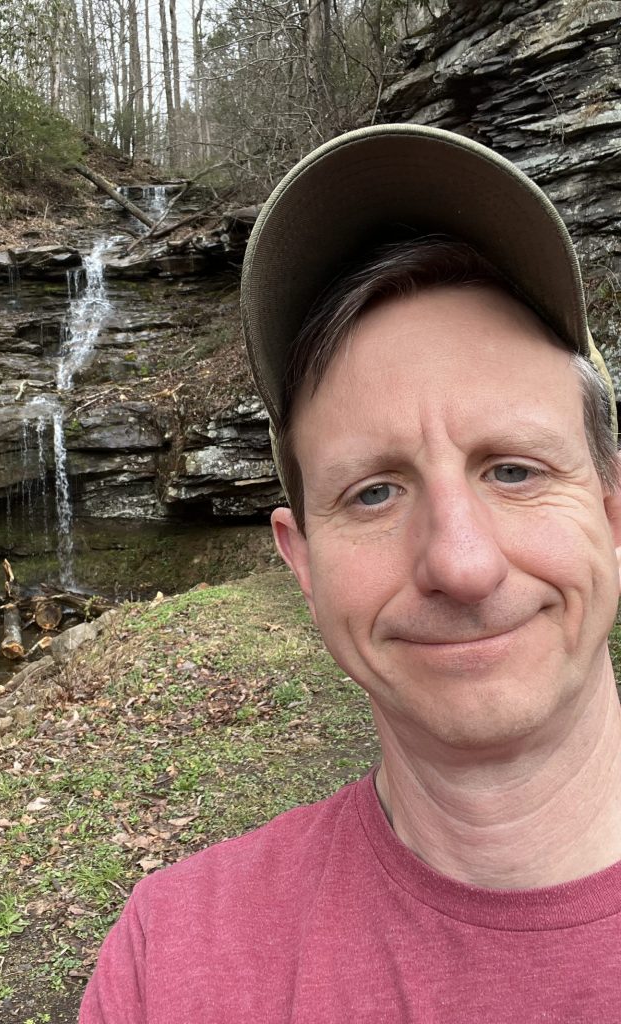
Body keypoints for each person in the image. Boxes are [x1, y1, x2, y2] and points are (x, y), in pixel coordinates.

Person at [80, 124, 621, 1022]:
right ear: (300, 559)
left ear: (611, 510)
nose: (461, 563)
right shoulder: (167, 965)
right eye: (374, 493)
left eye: (514, 470)